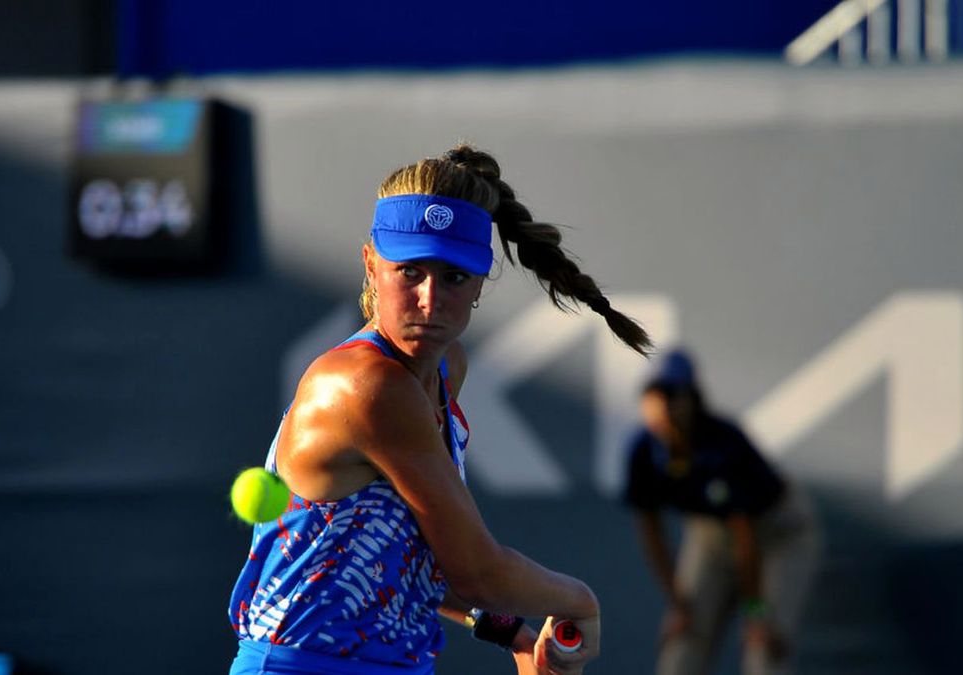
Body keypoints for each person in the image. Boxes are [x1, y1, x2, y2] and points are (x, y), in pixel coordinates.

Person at [228, 144, 652, 675]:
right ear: (371, 265)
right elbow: (477, 572)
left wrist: (516, 635)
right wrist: (579, 601)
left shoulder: (447, 366)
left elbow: (429, 556)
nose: (430, 300)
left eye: (454, 277)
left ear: (479, 284)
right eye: (410, 272)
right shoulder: (366, 386)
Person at [623, 349, 820, 675]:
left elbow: (746, 538)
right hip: (711, 540)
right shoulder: (642, 451)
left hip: (779, 536)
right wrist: (678, 602)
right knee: (681, 645)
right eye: (654, 395)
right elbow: (650, 530)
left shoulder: (723, 443)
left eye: (672, 395)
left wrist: (756, 611)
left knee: (765, 649)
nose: (663, 406)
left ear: (692, 399)